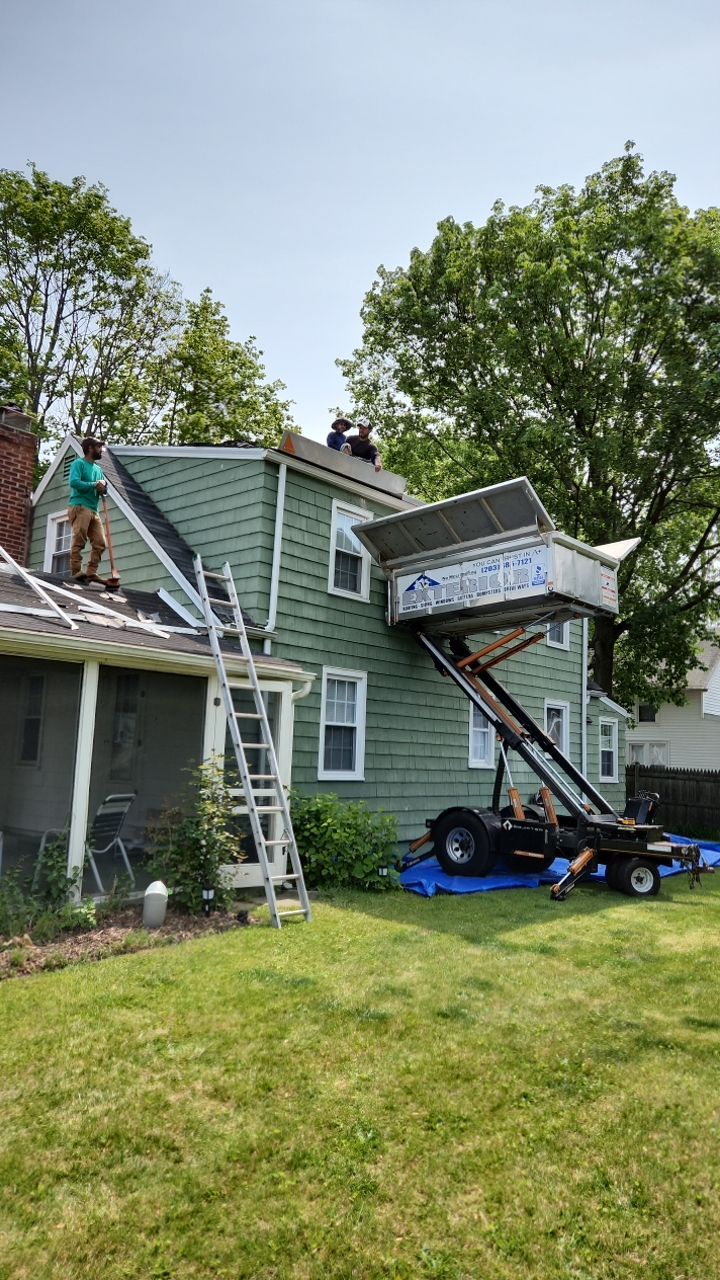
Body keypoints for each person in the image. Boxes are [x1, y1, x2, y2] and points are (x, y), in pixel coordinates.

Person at [67, 436, 108, 581]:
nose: (100, 450)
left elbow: (102, 487)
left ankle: (91, 572)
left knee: (100, 543)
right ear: (90, 448)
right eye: (98, 447)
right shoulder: (79, 464)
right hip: (79, 506)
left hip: (93, 510)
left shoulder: (98, 469)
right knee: (80, 539)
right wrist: (94, 485)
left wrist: (103, 489)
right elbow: (74, 482)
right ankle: (76, 571)